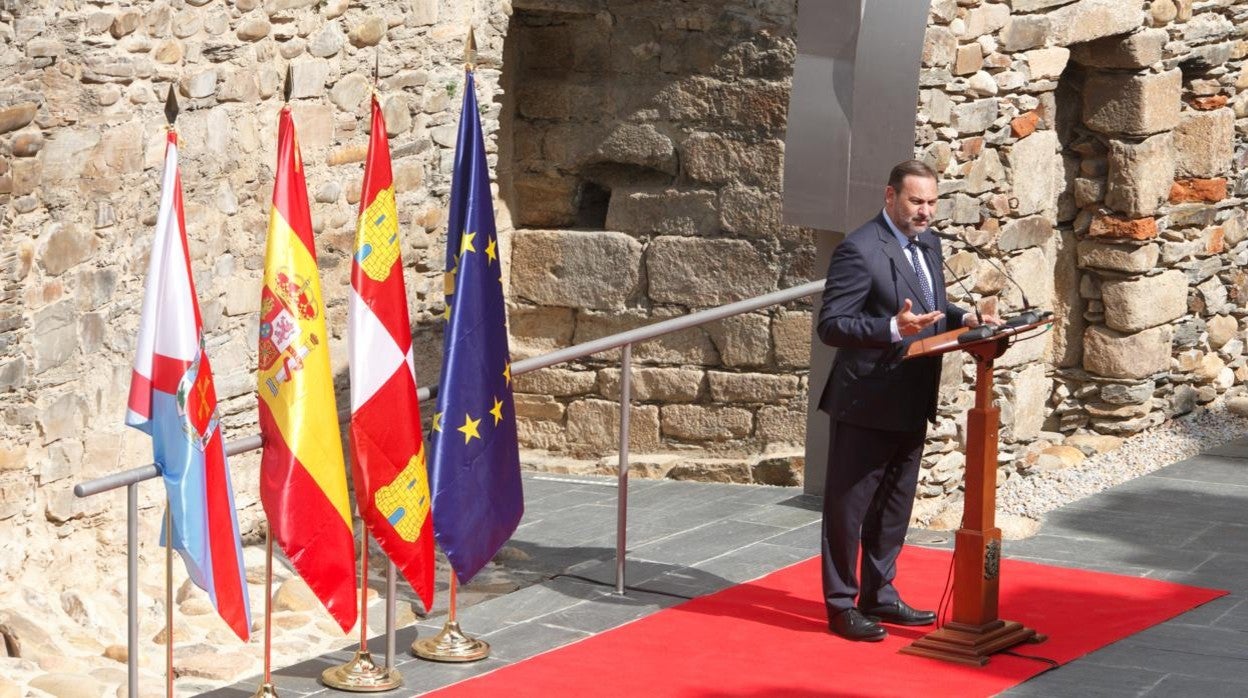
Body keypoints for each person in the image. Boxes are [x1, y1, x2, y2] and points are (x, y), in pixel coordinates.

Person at [817, 159, 997, 642]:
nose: (925, 211)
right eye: (916, 201)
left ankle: (880, 593)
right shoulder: (858, 250)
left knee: (894, 506)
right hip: (865, 401)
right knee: (848, 508)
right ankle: (841, 605)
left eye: (932, 202)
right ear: (890, 196)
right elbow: (832, 325)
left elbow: (931, 307)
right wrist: (891, 328)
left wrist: (969, 318)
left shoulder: (929, 244)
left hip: (912, 396)